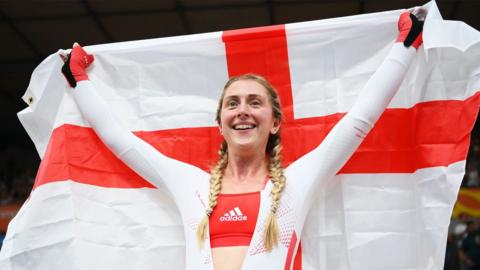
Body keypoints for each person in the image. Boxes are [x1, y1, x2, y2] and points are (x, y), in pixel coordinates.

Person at [61, 10, 425, 270]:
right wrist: (78, 79)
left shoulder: (297, 184)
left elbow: (357, 123)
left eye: (255, 103)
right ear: (220, 123)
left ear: (275, 122)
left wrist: (404, 47)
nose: (243, 111)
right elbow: (121, 141)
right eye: (232, 104)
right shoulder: (190, 185)